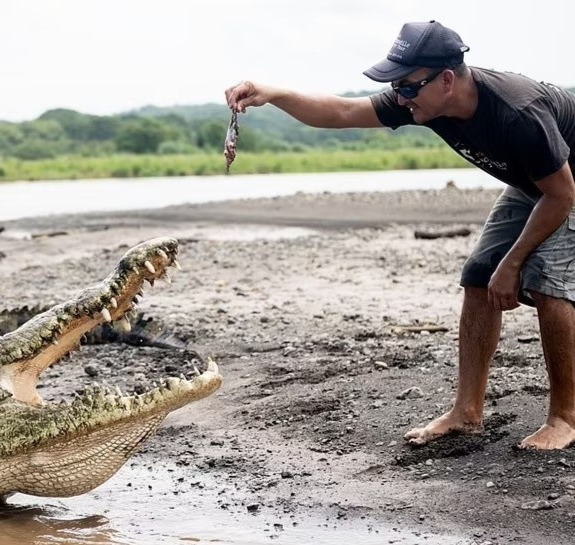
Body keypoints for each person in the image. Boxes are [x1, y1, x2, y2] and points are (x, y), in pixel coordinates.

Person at [225, 20, 575, 450]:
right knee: (478, 277)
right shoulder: (422, 101)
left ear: (447, 80)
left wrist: (515, 263)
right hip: (534, 182)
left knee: (549, 283)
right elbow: (341, 112)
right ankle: (467, 412)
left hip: (564, 183)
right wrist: (272, 93)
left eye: (407, 85)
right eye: (396, 86)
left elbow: (560, 195)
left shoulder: (518, 112)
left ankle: (565, 418)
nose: (400, 95)